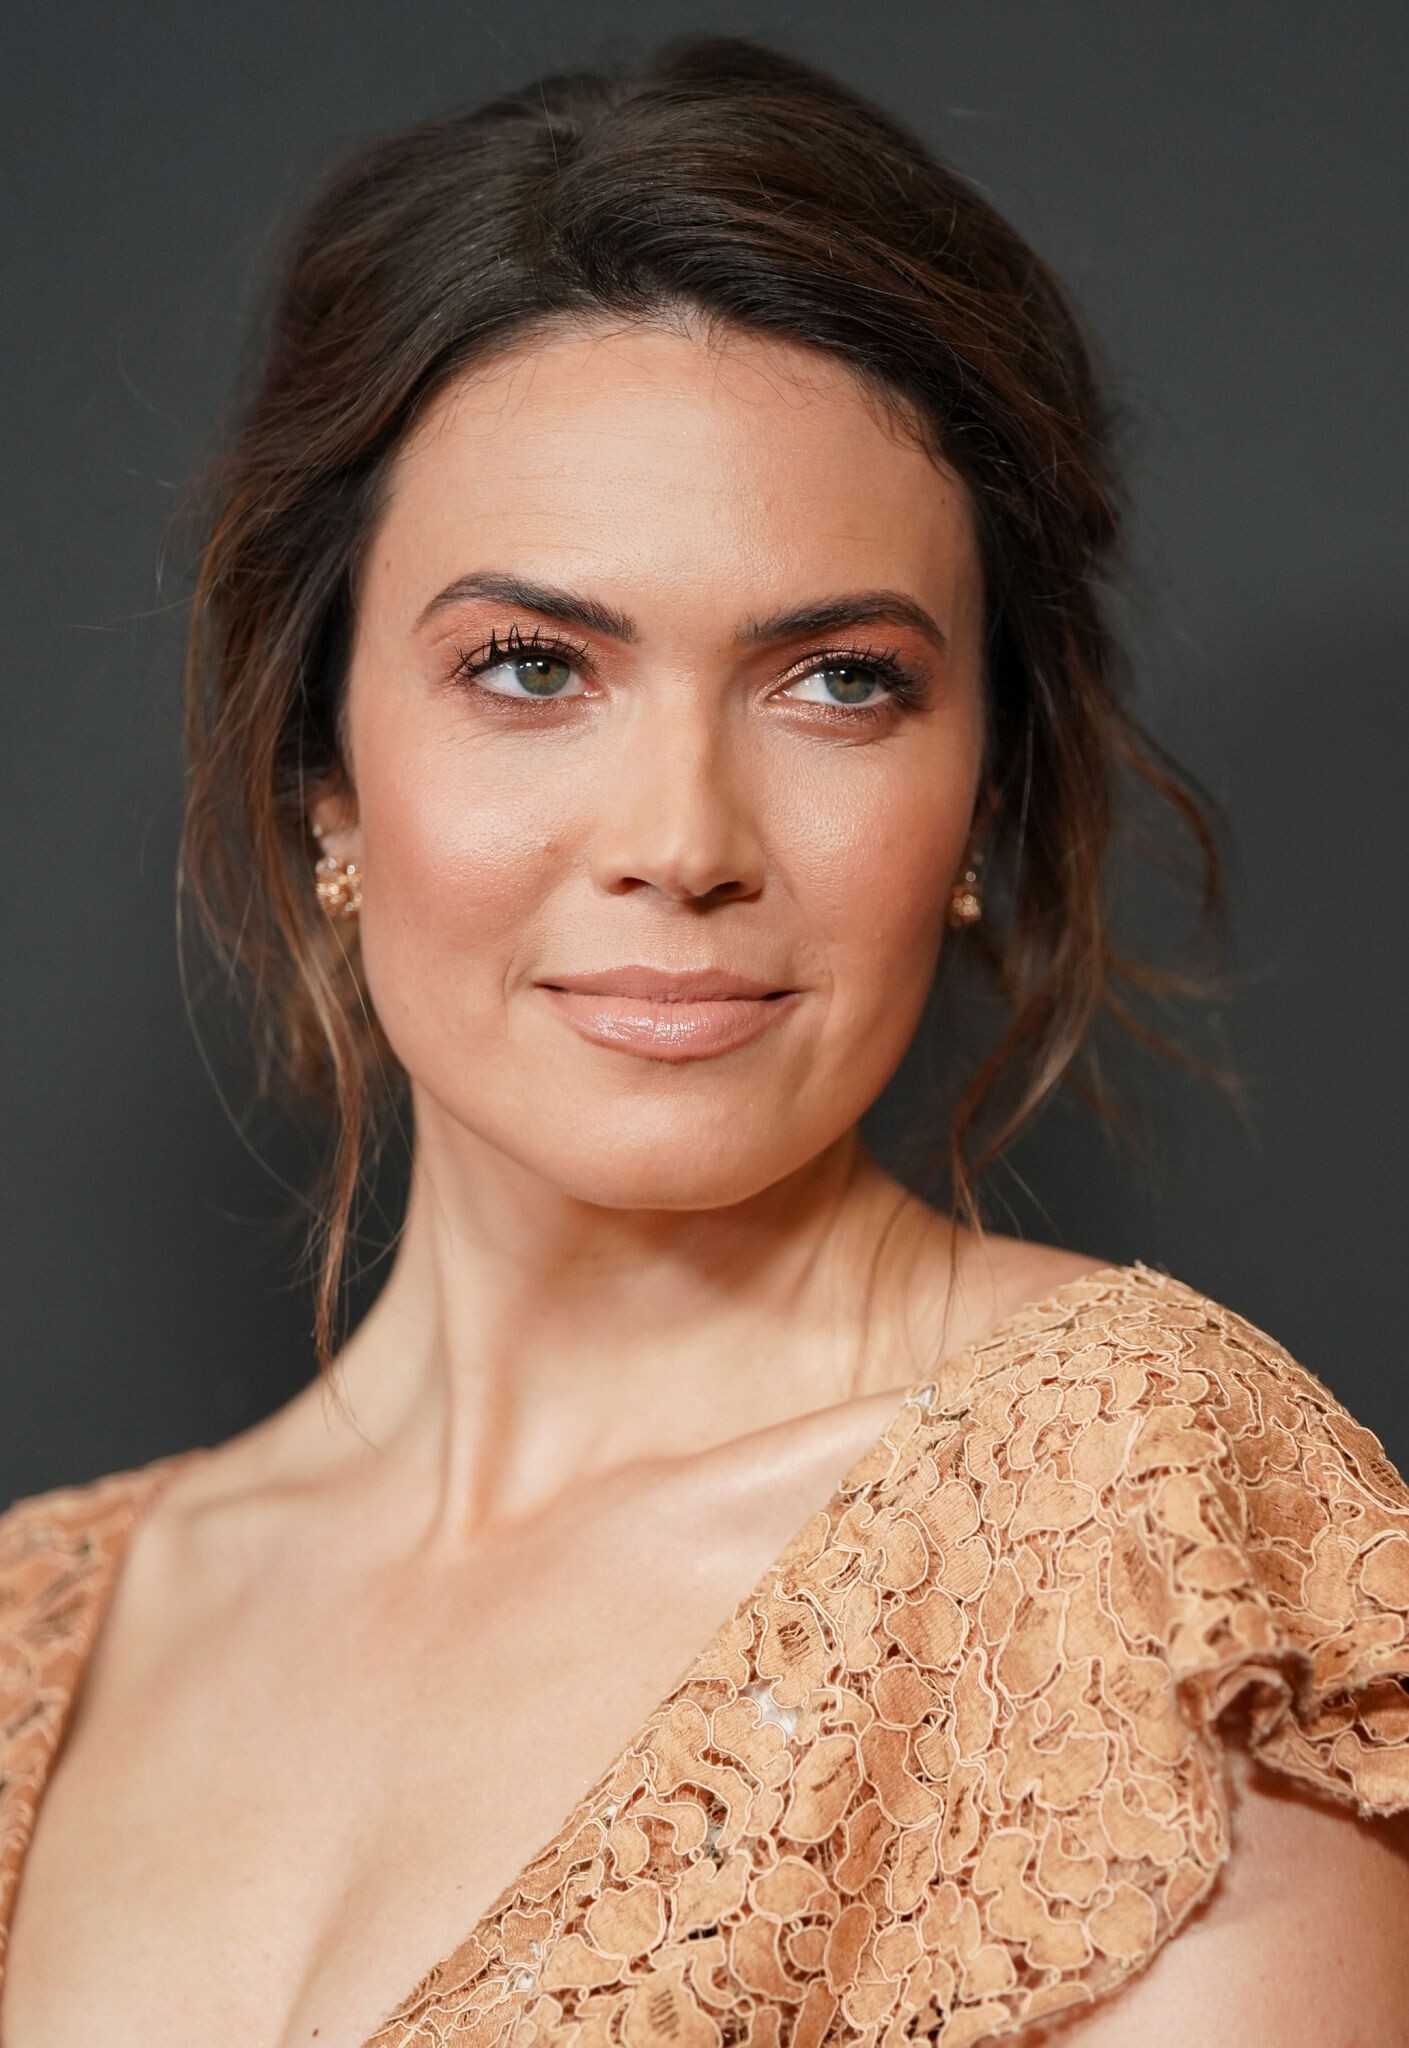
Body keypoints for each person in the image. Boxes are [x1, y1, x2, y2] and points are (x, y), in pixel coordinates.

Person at [2, 34, 1407, 2048]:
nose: (682, 841)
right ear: (327, 772)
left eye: (839, 680)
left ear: (984, 792)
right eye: (530, 667)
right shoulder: (39, 1627)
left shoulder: (1147, 1536)